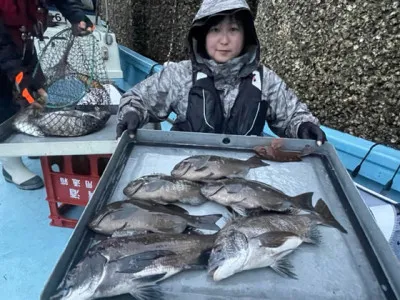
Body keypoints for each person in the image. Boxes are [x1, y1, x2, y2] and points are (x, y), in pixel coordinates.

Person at [116, 0, 327, 146]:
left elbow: (292, 116)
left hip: (243, 174)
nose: (224, 40)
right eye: (215, 30)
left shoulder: (265, 79)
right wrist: (131, 114)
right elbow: (137, 99)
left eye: (233, 30)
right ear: (202, 35)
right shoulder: (179, 74)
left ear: (246, 36)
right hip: (189, 170)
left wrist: (303, 127)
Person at [0, 0, 94, 190]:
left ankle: (31, 141)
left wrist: (76, 15)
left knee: (39, 94)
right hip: (3, 47)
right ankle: (11, 165)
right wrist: (19, 75)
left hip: (23, 41)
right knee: (5, 107)